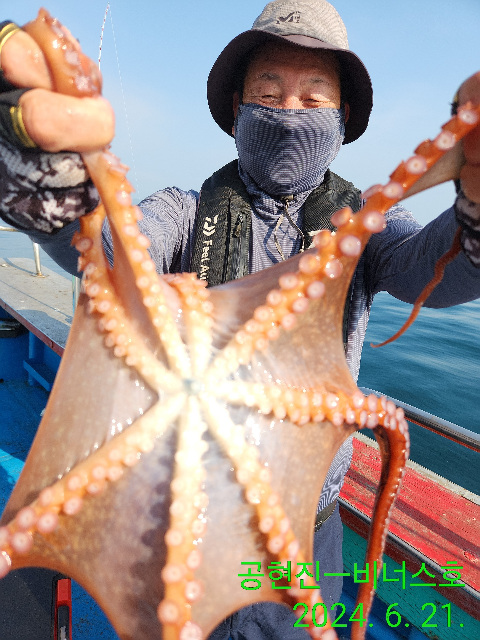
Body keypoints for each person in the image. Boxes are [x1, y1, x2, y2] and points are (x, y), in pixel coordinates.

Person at [0, 1, 479, 638]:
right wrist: (54, 194)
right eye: (268, 94)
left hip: (305, 536)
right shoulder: (186, 210)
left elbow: (433, 268)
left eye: (314, 98)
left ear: (342, 117)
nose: (290, 112)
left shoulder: (363, 225)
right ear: (237, 108)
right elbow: (113, 253)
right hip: (184, 526)